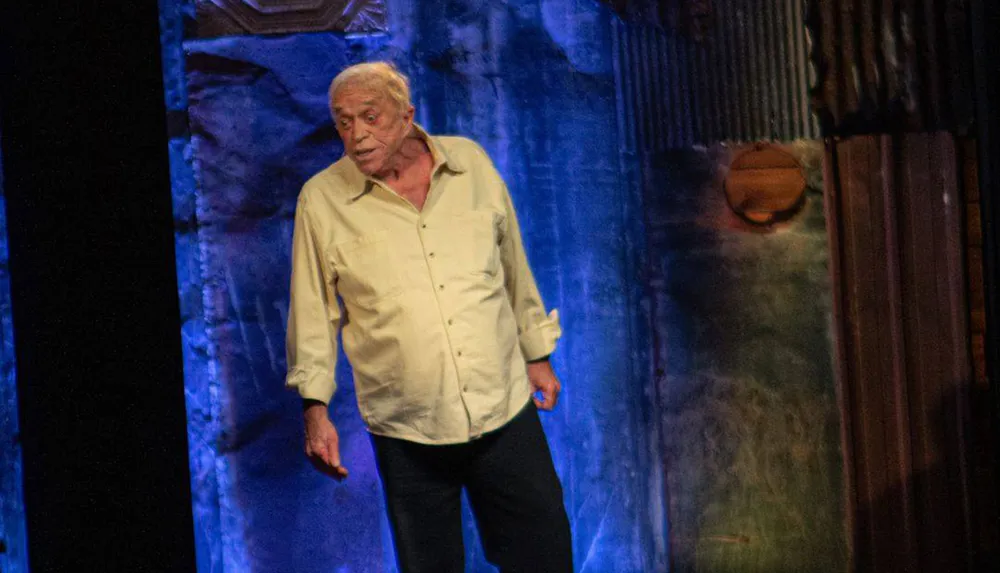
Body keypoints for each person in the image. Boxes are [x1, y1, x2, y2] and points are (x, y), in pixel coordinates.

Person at [284, 61, 573, 573]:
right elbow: (312, 313)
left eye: (370, 116)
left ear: (406, 115)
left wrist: (537, 354)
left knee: (543, 556)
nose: (357, 135)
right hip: (406, 428)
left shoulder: (471, 164)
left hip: (503, 408)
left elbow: (512, 268)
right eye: (344, 121)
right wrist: (315, 408)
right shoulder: (322, 199)